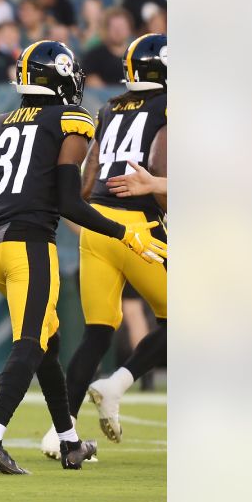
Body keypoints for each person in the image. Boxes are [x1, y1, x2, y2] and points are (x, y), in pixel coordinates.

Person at [0, 41, 164, 474]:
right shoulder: (69, 120)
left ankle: (69, 442)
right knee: (31, 343)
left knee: (48, 345)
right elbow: (70, 202)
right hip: (30, 246)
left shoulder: (0, 122)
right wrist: (124, 232)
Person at [53, 34, 169, 453]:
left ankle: (59, 431)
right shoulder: (168, 108)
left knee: (97, 333)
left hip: (97, 225)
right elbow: (159, 179)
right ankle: (117, 384)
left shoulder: (109, 107)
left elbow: (87, 181)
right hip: (139, 226)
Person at [81, 9, 135, 86]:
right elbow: (90, 80)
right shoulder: (94, 56)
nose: (118, 31)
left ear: (129, 29)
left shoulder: (138, 56)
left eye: (122, 27)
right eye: (114, 27)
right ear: (107, 30)